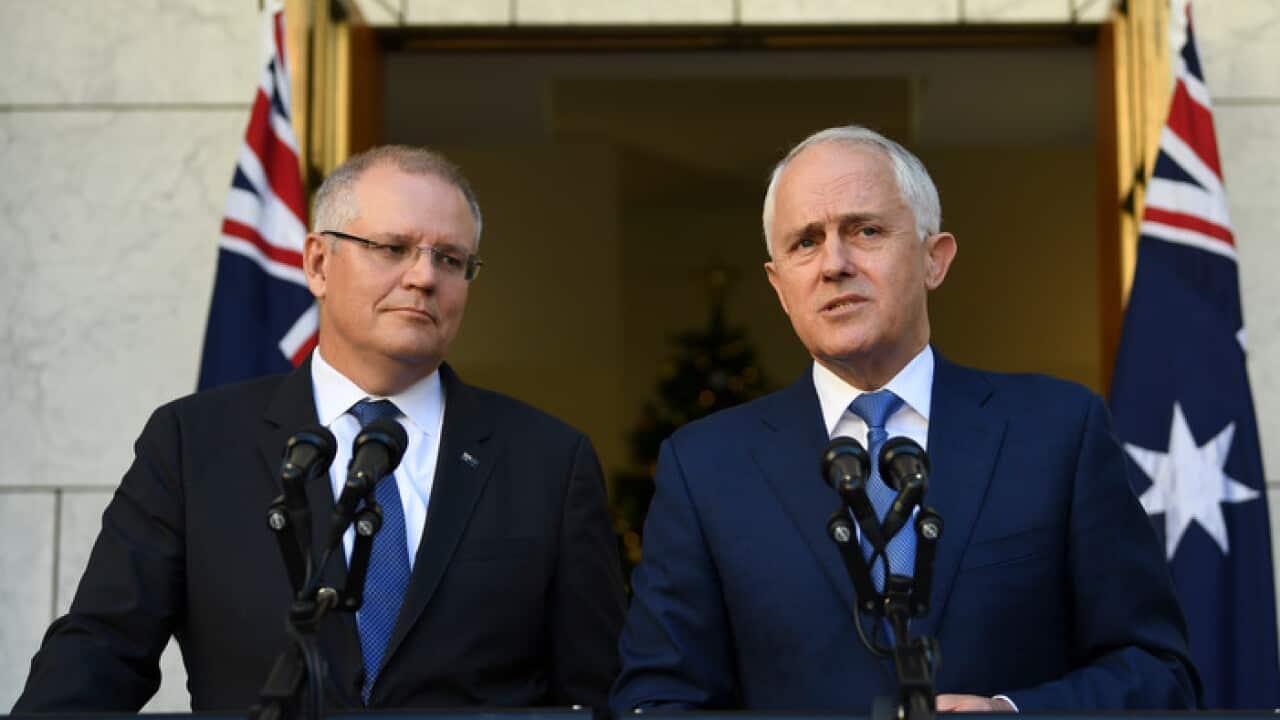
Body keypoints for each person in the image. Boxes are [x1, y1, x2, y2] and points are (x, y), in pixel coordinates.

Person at [15, 146, 626, 712]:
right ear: (317, 263)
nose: (423, 277)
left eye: (450, 259)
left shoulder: (548, 459)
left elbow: (595, 686)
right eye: (392, 248)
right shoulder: (194, 443)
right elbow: (100, 650)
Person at [611, 126, 1199, 712]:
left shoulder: (1059, 433)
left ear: (934, 259)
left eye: (865, 230)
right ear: (780, 287)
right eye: (805, 243)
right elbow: (658, 698)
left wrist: (1012, 715)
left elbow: (1157, 672)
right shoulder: (707, 466)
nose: (834, 264)